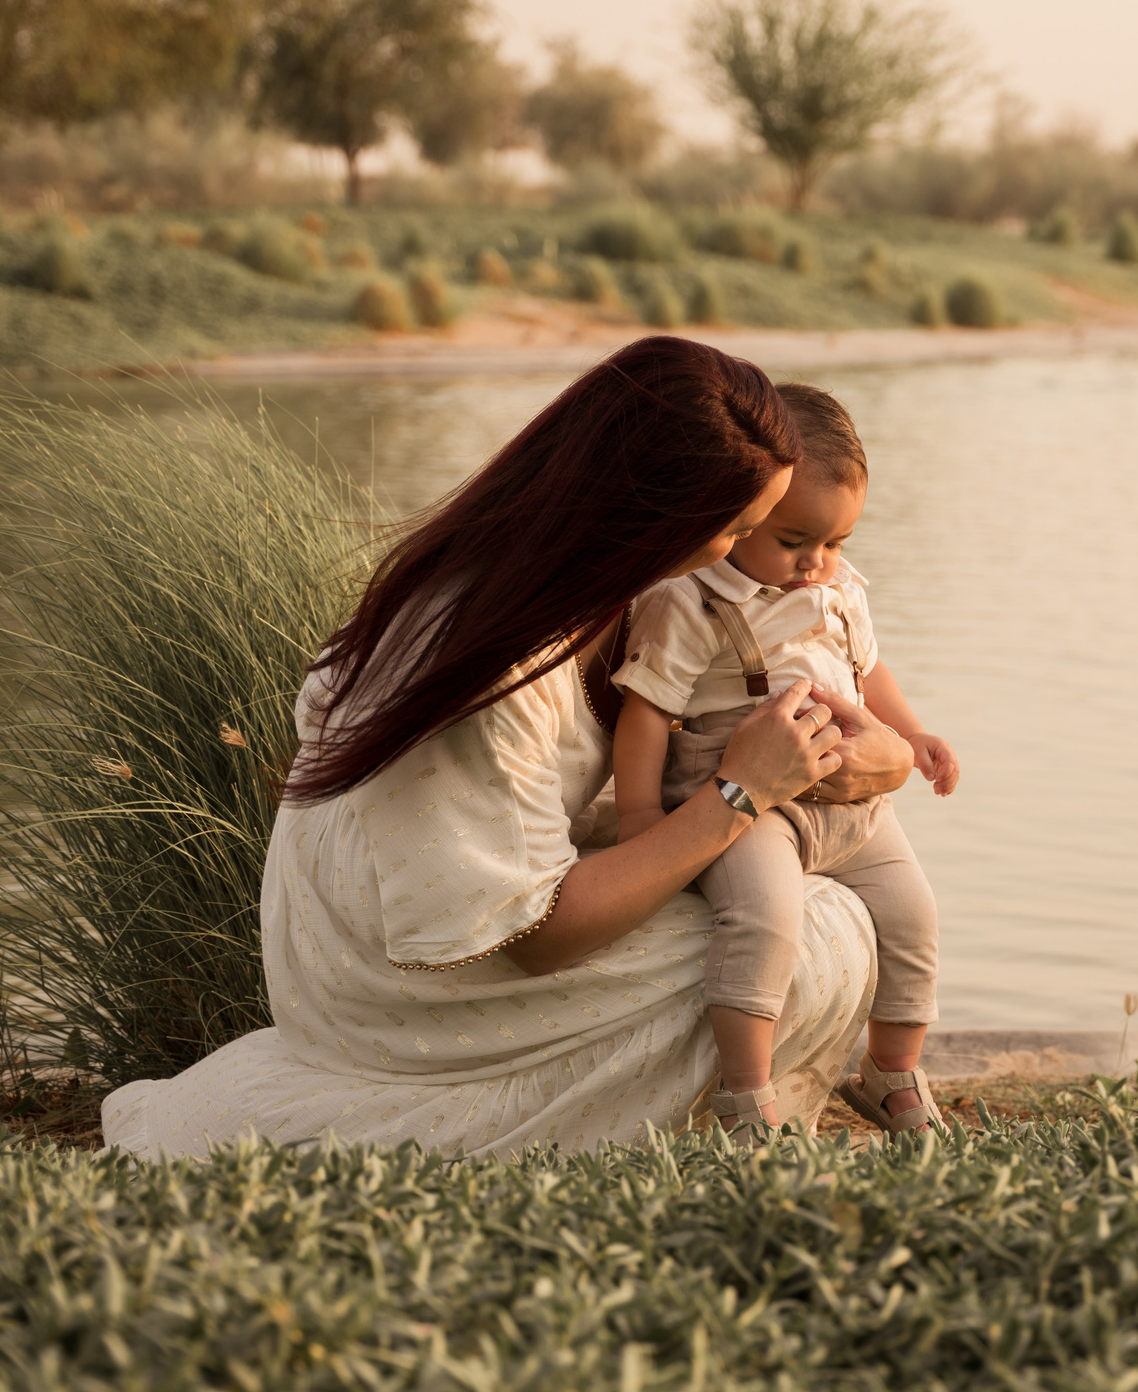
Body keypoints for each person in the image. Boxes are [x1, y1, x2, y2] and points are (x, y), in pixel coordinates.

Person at [102, 338, 916, 1159]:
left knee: (819, 914)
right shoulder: (487, 646)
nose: (748, 563)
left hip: (479, 896)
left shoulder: (629, 591)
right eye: (737, 530)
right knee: (815, 943)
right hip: (401, 969)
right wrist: (742, 794)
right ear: (658, 508)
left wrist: (884, 759)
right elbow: (539, 934)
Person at [611, 385, 959, 1142]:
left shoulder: (838, 588)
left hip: (849, 800)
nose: (817, 563)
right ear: (738, 509)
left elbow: (872, 671)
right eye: (795, 538)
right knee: (764, 920)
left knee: (914, 915)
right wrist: (640, 816)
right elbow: (647, 715)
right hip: (742, 800)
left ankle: (891, 1072)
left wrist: (915, 735)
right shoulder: (692, 601)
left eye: (836, 542)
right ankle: (746, 1096)